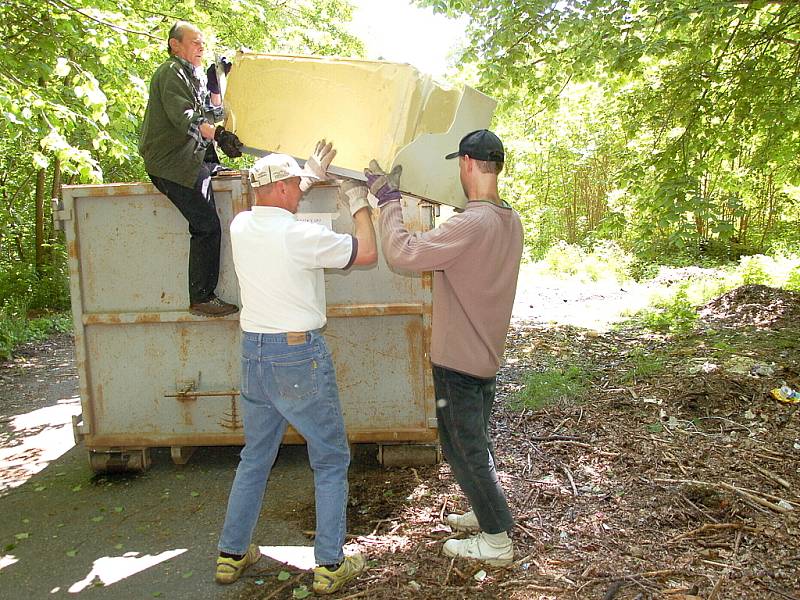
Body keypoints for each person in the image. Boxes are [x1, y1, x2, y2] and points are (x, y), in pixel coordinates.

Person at [215, 149, 376, 595]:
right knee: (329, 458)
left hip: (254, 355)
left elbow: (274, 202)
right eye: (295, 189)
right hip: (297, 356)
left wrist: (305, 177)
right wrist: (359, 202)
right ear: (284, 190)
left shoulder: (242, 225)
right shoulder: (300, 235)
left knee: (255, 457)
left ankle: (231, 555)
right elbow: (366, 254)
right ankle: (329, 564)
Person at [366, 129, 523, 566]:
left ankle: (496, 541)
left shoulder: (472, 223)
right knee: (473, 444)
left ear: (467, 164)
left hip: (459, 361)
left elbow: (403, 253)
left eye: (458, 163)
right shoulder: (508, 218)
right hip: (484, 355)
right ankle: (484, 511)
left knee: (463, 448)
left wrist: (388, 201)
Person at [139, 21, 244, 317]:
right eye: (195, 42)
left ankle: (212, 165)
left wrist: (217, 82)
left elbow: (211, 112)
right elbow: (186, 118)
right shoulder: (170, 72)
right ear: (175, 45)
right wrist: (219, 135)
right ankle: (201, 297)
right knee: (206, 225)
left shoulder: (191, 74)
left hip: (190, 159)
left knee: (208, 210)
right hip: (171, 163)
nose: (201, 47)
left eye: (202, 43)